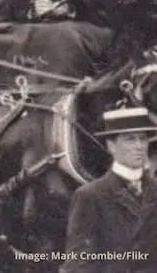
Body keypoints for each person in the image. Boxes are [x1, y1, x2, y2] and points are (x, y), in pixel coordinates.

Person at [62, 106, 157, 273]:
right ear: (111, 146)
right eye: (130, 139)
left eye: (143, 139)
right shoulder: (90, 195)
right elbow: (78, 263)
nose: (139, 146)